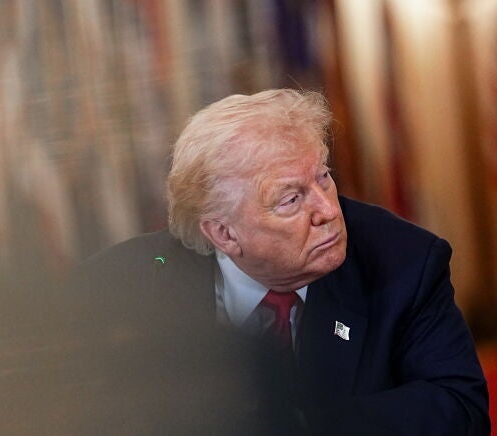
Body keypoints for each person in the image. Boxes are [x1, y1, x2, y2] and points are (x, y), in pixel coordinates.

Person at [71, 89, 489, 434]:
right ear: (223, 233)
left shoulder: (404, 260)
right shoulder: (120, 290)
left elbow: (461, 408)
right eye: (291, 199)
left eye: (323, 177)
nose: (328, 210)